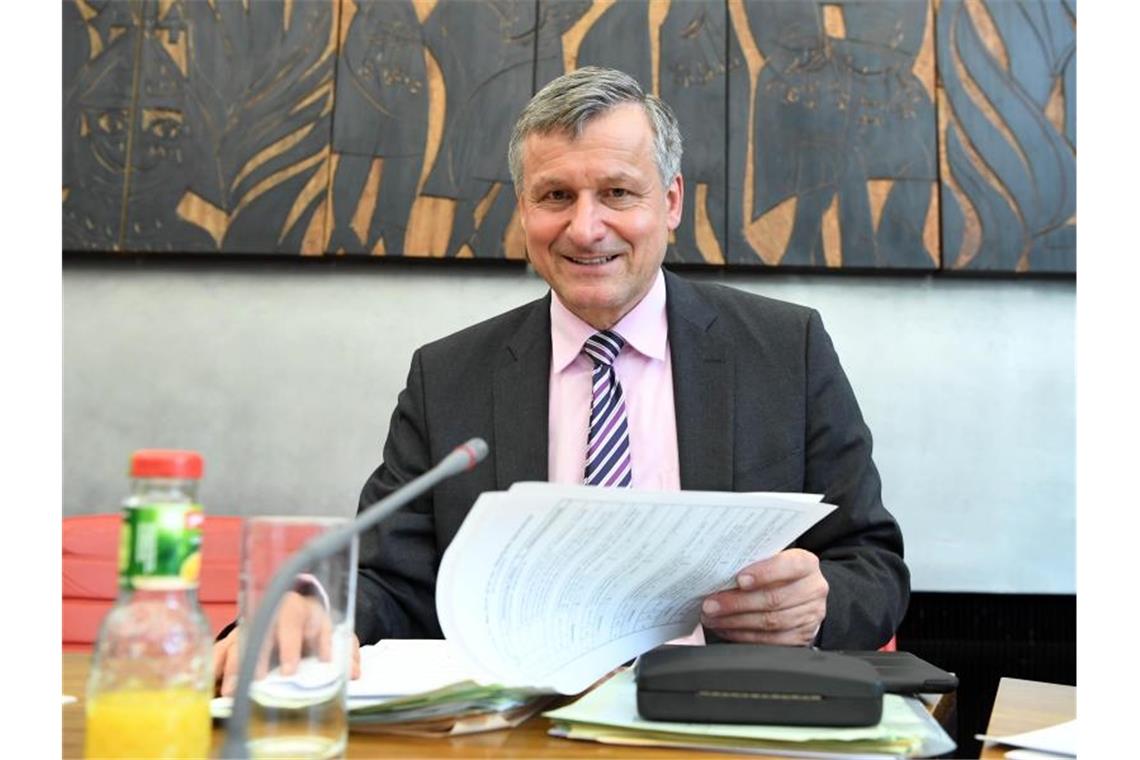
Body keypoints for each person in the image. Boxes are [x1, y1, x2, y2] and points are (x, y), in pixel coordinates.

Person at [215, 66, 908, 694]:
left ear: (669, 202)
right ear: (524, 210)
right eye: (556, 195)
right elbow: (386, 577)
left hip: (723, 716)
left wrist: (818, 600)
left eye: (616, 192)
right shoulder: (449, 375)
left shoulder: (786, 350)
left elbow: (872, 563)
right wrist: (307, 604)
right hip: (521, 728)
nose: (585, 227)